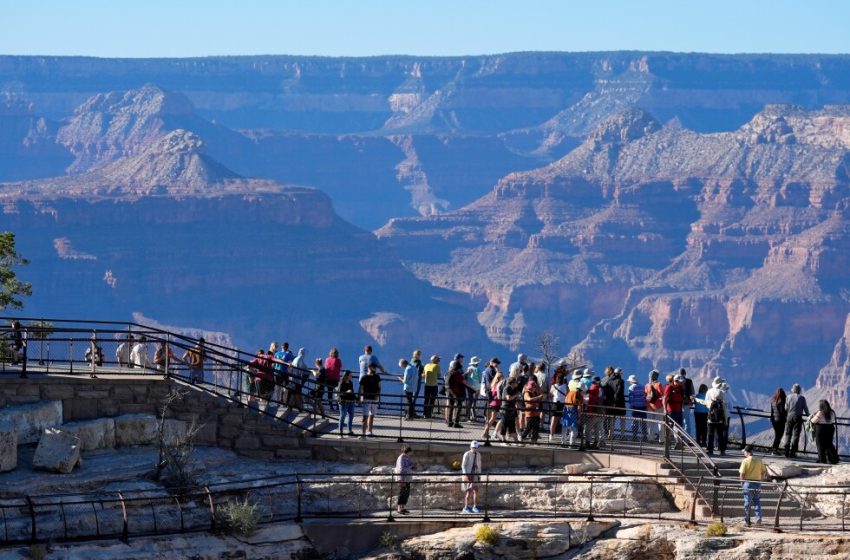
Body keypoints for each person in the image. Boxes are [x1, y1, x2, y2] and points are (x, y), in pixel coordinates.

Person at [739, 444, 766, 527]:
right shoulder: (759, 460)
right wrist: (761, 479)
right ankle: (758, 519)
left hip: (748, 483)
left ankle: (747, 520)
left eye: (744, 452)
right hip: (757, 483)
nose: (744, 453)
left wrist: (742, 482)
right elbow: (764, 471)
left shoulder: (745, 461)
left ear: (747, 452)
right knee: (757, 501)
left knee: (747, 502)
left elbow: (742, 474)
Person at [783, 383, 809, 458]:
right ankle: (793, 452)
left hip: (789, 416)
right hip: (798, 417)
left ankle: (786, 450)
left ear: (793, 390)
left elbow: (786, 408)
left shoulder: (788, 397)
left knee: (788, 433)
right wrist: (809, 416)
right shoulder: (802, 398)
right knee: (796, 435)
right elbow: (805, 408)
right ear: (799, 390)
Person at [703, 376, 728, 456]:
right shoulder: (722, 393)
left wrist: (712, 408)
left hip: (711, 417)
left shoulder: (709, 392)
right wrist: (725, 418)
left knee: (710, 433)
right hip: (720, 418)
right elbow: (724, 406)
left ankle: (710, 450)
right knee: (720, 434)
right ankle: (722, 450)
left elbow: (706, 403)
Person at [811, 399, 839, 464]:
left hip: (821, 429)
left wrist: (814, 415)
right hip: (830, 428)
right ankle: (834, 459)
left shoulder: (820, 412)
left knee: (820, 445)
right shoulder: (832, 412)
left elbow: (813, 421)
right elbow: (833, 420)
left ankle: (822, 460)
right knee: (829, 444)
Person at [481, 366, 504, 441]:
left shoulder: (493, 384)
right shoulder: (499, 385)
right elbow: (498, 395)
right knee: (492, 419)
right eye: (502, 377)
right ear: (500, 377)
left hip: (492, 402)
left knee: (490, 419)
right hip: (496, 403)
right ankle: (485, 433)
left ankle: (485, 432)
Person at [359, 363, 381, 437]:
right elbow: (361, 388)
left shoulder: (377, 377)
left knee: (372, 416)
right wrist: (361, 397)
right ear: (369, 368)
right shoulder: (364, 377)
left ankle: (369, 431)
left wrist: (377, 396)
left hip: (374, 398)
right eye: (372, 367)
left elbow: (379, 387)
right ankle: (363, 434)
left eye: (374, 367)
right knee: (365, 416)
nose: (373, 369)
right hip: (366, 398)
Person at [461, 440, 483, 514]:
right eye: (473, 447)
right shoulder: (467, 454)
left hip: (475, 474)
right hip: (469, 474)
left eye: (476, 448)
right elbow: (463, 465)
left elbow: (479, 465)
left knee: (476, 491)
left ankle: (475, 506)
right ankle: (466, 507)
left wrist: (479, 475)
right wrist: (465, 474)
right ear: (470, 447)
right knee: (469, 491)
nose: (474, 449)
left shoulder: (478, 454)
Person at [521, 378, 545, 443]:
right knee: (528, 427)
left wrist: (540, 397)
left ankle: (534, 441)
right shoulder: (526, 392)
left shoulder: (534, 392)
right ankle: (522, 438)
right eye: (532, 387)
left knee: (536, 427)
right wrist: (538, 397)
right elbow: (529, 399)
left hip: (536, 412)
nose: (533, 388)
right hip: (530, 413)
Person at [561, 380, 584, 448]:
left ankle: (563, 442)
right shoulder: (579, 395)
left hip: (566, 410)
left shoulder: (570, 392)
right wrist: (579, 416)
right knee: (573, 428)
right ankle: (572, 444)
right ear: (582, 390)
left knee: (565, 427)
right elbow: (579, 407)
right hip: (573, 411)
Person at [498, 376, 521, 442]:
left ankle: (516, 441)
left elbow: (515, 400)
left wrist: (518, 408)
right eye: (516, 382)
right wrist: (516, 395)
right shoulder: (507, 388)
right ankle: (503, 440)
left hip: (511, 410)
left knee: (512, 425)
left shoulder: (514, 389)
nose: (517, 383)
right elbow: (508, 398)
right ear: (512, 383)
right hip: (505, 409)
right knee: (504, 425)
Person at [394, 446, 416, 514]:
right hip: (402, 478)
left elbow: (410, 465)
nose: (411, 453)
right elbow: (401, 469)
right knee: (402, 493)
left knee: (406, 493)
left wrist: (413, 467)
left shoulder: (407, 457)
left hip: (407, 478)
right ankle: (399, 508)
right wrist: (410, 467)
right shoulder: (401, 457)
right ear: (408, 451)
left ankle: (403, 508)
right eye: (410, 452)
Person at [446, 359, 467, 428]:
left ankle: (449, 422)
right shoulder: (457, 374)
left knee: (451, 406)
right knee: (459, 406)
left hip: (449, 391)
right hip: (456, 392)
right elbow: (463, 381)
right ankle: (456, 422)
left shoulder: (449, 372)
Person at [585, 375, 604, 448]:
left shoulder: (593, 389)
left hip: (594, 412)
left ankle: (588, 442)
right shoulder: (601, 389)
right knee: (597, 429)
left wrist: (590, 413)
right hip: (600, 411)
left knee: (587, 429)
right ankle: (596, 443)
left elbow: (591, 402)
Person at [627, 374, 648, 441]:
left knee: (635, 422)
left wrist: (631, 406)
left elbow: (631, 398)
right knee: (643, 422)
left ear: (631, 381)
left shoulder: (631, 388)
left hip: (635, 407)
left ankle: (634, 436)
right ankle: (644, 436)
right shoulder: (642, 386)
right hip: (643, 406)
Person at [645, 370, 665, 440]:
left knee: (650, 423)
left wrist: (647, 405)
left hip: (650, 406)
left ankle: (650, 437)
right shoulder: (658, 384)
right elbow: (663, 395)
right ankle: (661, 439)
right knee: (660, 423)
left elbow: (645, 395)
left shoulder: (647, 385)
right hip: (659, 406)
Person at [549, 369, 567, 443]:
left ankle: (551, 435)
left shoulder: (553, 386)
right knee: (562, 420)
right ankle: (563, 436)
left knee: (553, 420)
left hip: (555, 403)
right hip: (562, 404)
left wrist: (555, 395)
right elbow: (567, 394)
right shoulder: (565, 386)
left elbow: (550, 393)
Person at [336, 370, 356, 438]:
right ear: (347, 376)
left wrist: (356, 399)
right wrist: (347, 392)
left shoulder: (350, 382)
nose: (351, 376)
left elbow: (352, 392)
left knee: (351, 415)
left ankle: (349, 431)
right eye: (350, 375)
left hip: (350, 401)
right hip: (343, 402)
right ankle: (340, 432)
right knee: (343, 416)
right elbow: (339, 393)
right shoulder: (341, 383)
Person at [769, 388, 787, 455]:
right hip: (780, 421)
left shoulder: (773, 400)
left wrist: (772, 418)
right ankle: (774, 450)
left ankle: (774, 449)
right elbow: (782, 411)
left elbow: (772, 411)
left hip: (774, 420)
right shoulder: (782, 400)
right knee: (779, 435)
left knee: (777, 435)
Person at [465, 356, 482, 422]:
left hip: (469, 386)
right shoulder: (478, 369)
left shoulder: (468, 368)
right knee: (474, 402)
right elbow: (480, 379)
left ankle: (468, 416)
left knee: (469, 401)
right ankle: (474, 416)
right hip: (477, 387)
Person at [679, 368, 696, 437]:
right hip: (686, 403)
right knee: (687, 420)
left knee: (679, 420)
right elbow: (693, 392)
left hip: (677, 403)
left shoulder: (676, 381)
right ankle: (687, 437)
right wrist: (691, 401)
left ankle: (680, 436)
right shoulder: (689, 381)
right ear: (685, 373)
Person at [411, 350, 425, 416]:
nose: (419, 356)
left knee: (410, 397)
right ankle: (412, 412)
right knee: (414, 396)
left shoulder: (411, 361)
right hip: (416, 382)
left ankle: (408, 411)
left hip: (410, 381)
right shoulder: (418, 363)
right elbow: (419, 372)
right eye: (419, 354)